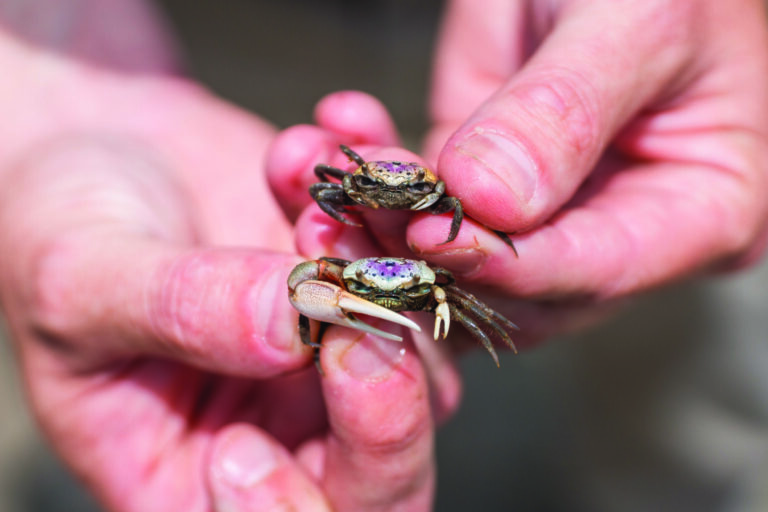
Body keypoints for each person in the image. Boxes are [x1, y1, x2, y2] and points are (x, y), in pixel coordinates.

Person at [0, 2, 766, 512]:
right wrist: (46, 59)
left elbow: (452, 231)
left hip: (576, 62)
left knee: (690, 416)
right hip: (207, 35)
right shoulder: (346, 204)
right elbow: (326, 191)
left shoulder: (434, 213)